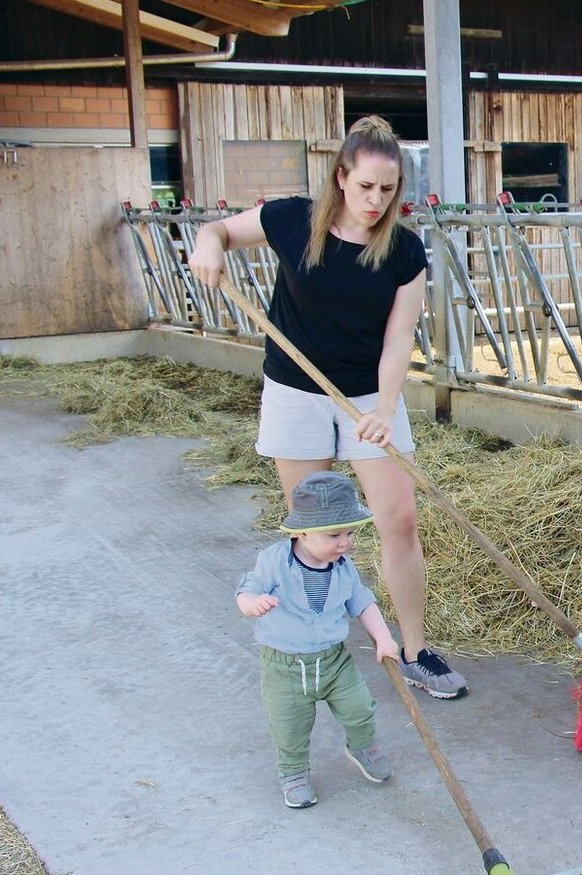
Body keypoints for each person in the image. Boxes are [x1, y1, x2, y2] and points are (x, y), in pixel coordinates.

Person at [190, 115, 467, 700]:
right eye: (366, 186)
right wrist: (206, 245)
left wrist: (385, 408)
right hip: (295, 390)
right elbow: (218, 231)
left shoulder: (404, 251)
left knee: (400, 520)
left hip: (368, 394)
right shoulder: (292, 219)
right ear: (342, 177)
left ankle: (415, 650)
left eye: (389, 190)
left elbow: (399, 340)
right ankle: (312, 640)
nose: (376, 200)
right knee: (314, 528)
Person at [237, 471, 400, 809]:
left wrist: (383, 638)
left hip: (333, 660)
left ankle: (362, 746)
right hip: (284, 666)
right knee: (289, 725)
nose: (345, 543)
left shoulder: (344, 567)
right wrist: (253, 604)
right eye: (334, 534)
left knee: (360, 708)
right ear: (302, 532)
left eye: (351, 533)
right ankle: (293, 771)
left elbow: (362, 602)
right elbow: (246, 591)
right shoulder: (273, 562)